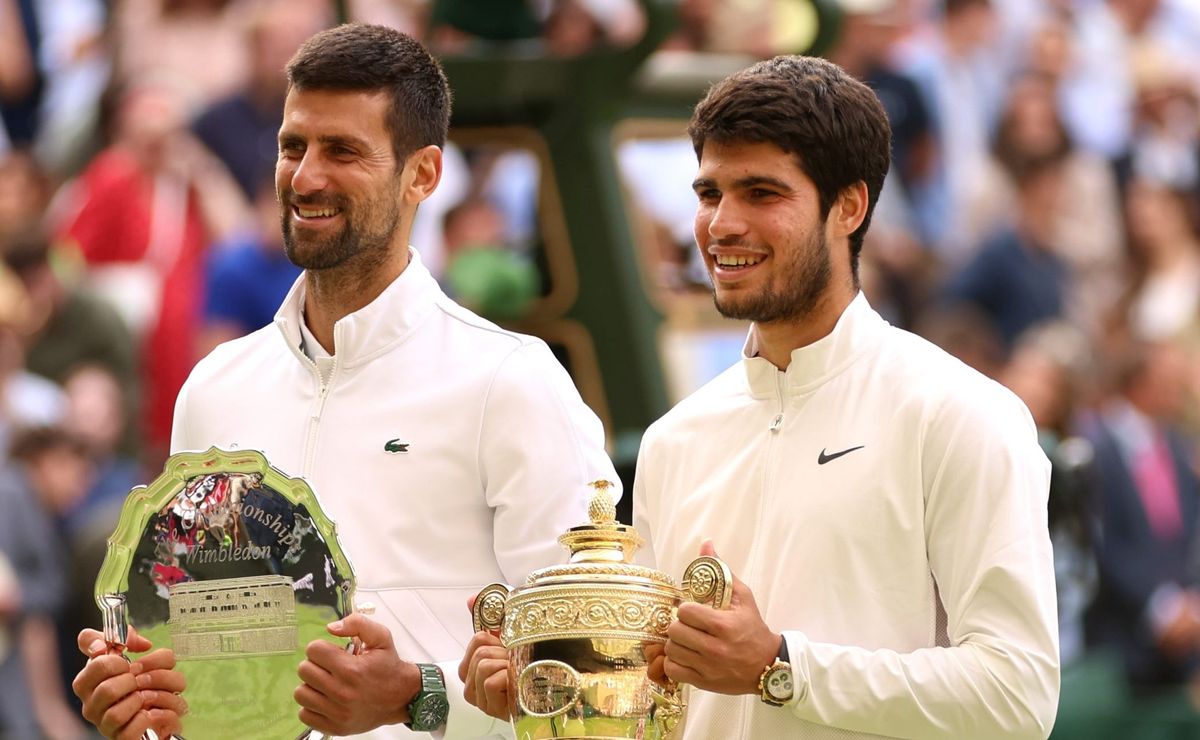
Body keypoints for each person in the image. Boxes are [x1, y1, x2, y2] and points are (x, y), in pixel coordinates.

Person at [462, 55, 1059, 738]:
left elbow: (1018, 696)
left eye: (762, 193)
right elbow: (661, 706)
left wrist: (779, 666)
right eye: (710, 193)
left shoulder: (961, 414)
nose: (721, 224)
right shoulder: (673, 441)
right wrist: (540, 684)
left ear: (850, 207)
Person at [71, 23, 618, 740]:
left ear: (423, 174)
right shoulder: (214, 388)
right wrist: (145, 708)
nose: (305, 177)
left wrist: (418, 698)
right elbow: (207, 669)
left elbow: (600, 679)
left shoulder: (512, 383)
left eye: (343, 151)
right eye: (292, 146)